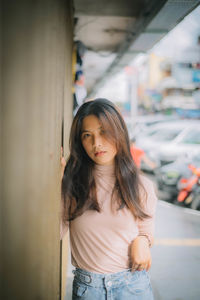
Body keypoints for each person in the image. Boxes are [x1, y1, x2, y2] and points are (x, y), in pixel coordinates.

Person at [60, 98, 157, 300]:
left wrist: (143, 240)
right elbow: (55, 232)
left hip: (133, 285)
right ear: (80, 141)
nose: (97, 143)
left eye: (104, 131)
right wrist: (56, 184)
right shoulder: (71, 184)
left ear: (118, 132)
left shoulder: (141, 186)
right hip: (89, 289)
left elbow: (145, 225)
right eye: (88, 135)